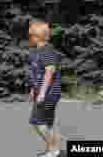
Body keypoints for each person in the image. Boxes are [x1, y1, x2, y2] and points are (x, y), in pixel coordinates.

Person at [28, 20, 63, 157]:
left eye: (30, 36)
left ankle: (54, 149)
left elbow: (50, 72)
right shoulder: (37, 51)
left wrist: (42, 93)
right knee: (47, 123)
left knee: (37, 122)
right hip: (43, 91)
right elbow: (38, 73)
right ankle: (54, 150)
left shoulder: (47, 50)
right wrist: (33, 89)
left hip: (49, 92)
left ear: (37, 37)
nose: (29, 39)